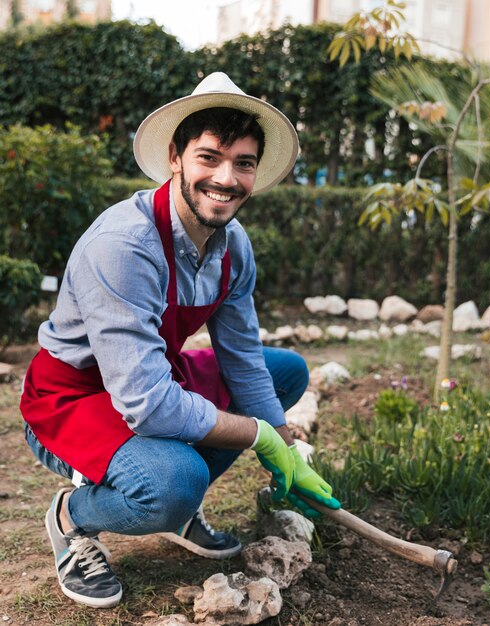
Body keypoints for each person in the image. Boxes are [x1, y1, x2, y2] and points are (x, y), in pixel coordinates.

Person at [20, 72, 341, 609]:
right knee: (173, 481)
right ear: (176, 157)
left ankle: (180, 506)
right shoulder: (124, 246)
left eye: (243, 162)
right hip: (70, 400)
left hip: (149, 376)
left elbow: (241, 358)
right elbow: (146, 405)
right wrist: (259, 436)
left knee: (284, 372)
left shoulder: (233, 245)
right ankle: (73, 517)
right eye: (209, 157)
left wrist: (285, 446)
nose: (226, 177)